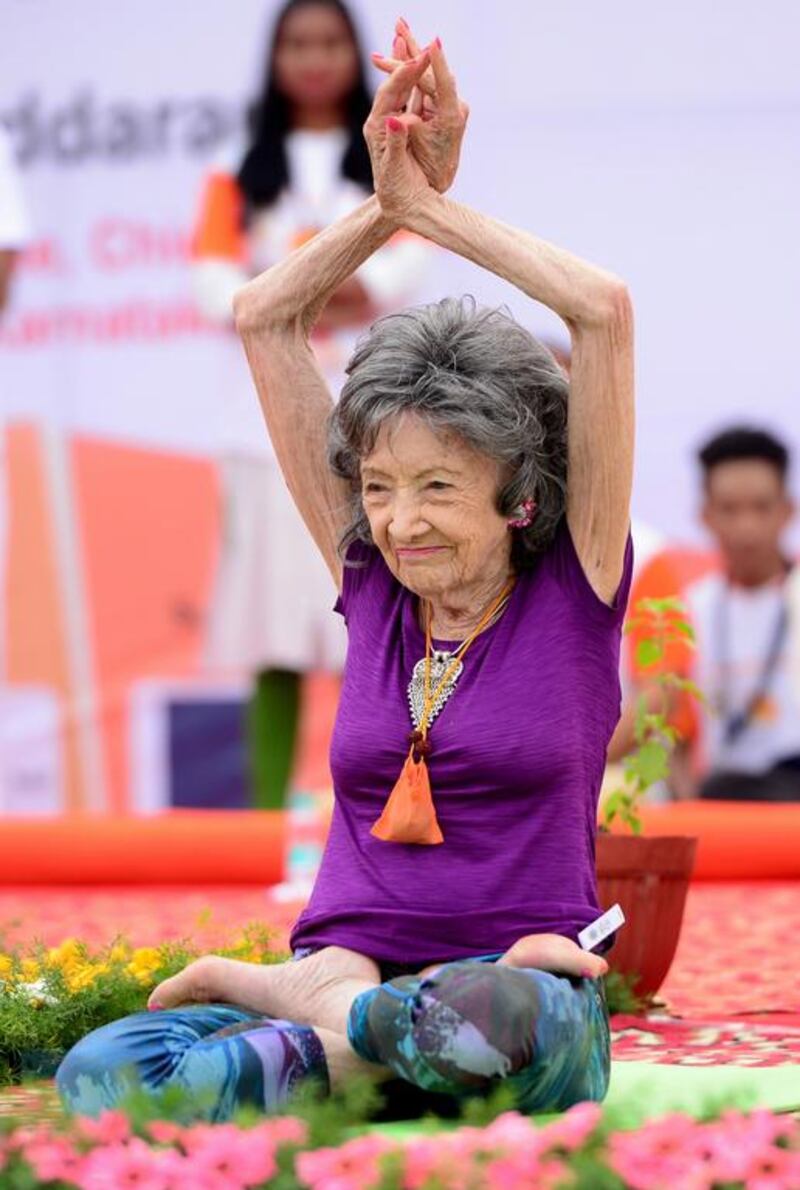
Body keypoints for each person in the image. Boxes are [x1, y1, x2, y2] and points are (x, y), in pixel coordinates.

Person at [57, 27, 635, 1121]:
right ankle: (356, 1030)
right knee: (108, 1072)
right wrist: (383, 201)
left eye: (434, 489)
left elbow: (600, 308)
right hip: (368, 976)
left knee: (516, 1021)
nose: (396, 522)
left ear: (516, 494)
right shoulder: (370, 578)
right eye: (377, 486)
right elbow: (262, 314)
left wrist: (435, 212)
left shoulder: (572, 583)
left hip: (508, 988)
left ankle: (338, 1025)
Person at [193, 0, 429, 811]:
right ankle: (264, 818)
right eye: (298, 43)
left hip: (374, 419)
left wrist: (313, 292)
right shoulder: (240, 166)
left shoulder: (385, 153)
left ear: (351, 51)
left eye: (329, 41)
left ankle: (371, 811)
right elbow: (214, 284)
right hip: (265, 426)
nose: (315, 58)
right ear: (275, 57)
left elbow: (402, 267)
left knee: (374, 620)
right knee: (272, 629)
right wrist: (292, 297)